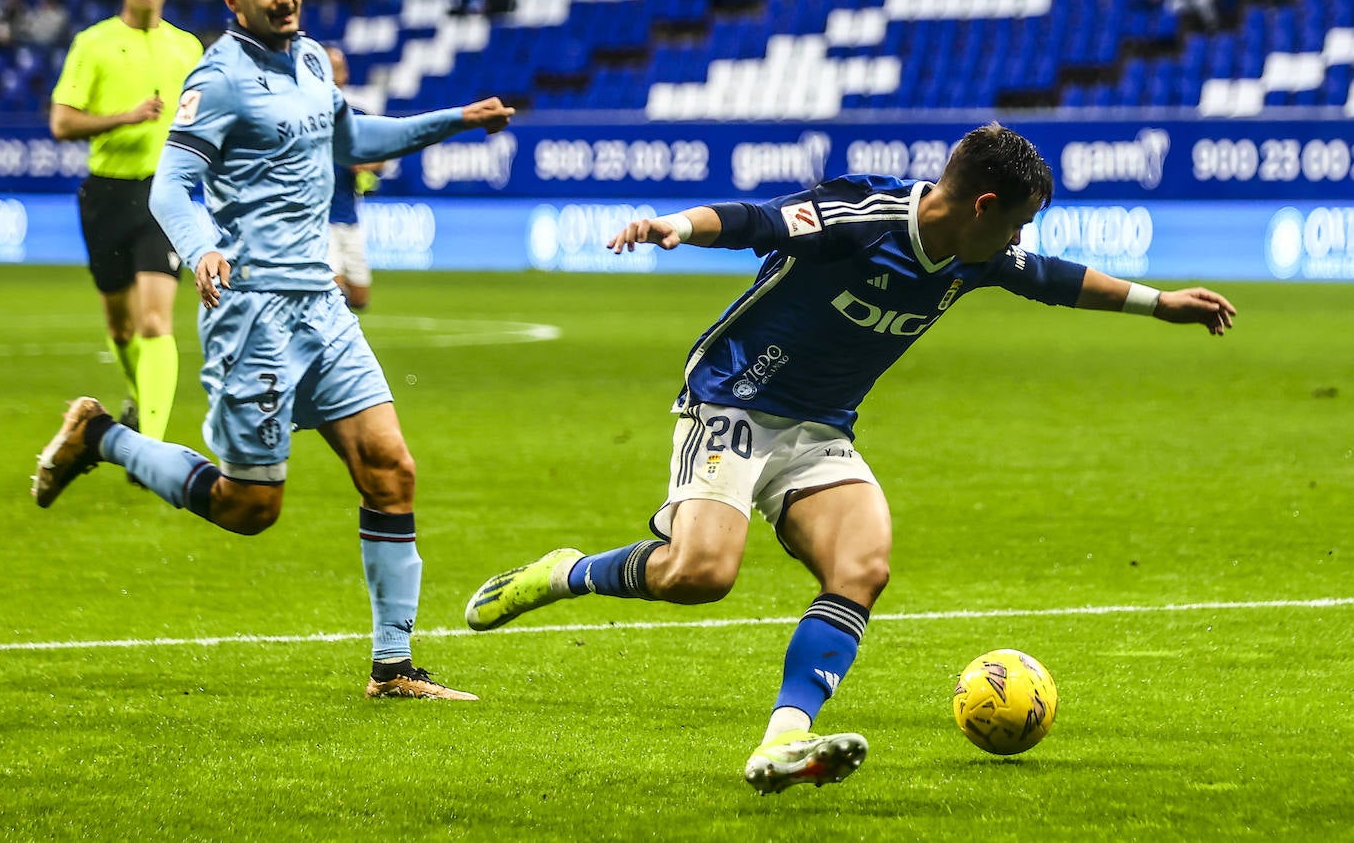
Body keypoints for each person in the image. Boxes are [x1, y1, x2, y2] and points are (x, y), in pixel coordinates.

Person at [465, 124, 1236, 792]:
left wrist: (1159, 302)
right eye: (1016, 224)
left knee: (862, 566)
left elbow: (1054, 279)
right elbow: (757, 220)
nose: (1017, 242)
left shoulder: (979, 254)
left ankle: (780, 741)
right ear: (983, 207)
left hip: (821, 429)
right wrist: (677, 226)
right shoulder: (862, 217)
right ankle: (563, 570)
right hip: (734, 398)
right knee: (699, 575)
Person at [32, 0, 516, 701]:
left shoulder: (315, 59)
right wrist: (200, 250)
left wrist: (452, 120)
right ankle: (102, 435)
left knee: (392, 468)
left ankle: (393, 668)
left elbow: (352, 139)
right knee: (251, 506)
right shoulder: (216, 77)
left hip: (322, 305)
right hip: (252, 310)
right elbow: (170, 187)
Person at [49, 0, 203, 443]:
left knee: (156, 322)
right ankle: (141, 402)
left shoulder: (188, 48)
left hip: (163, 196)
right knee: (121, 329)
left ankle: (151, 444)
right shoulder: (92, 44)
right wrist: (125, 117)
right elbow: (62, 122)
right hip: (106, 196)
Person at [324, 45, 382, 311]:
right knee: (334, 292)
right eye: (335, 69)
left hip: (349, 217)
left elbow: (382, 156)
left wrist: (364, 162)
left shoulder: (357, 116)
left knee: (359, 298)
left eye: (342, 69)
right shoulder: (306, 116)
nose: (341, 75)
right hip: (319, 220)